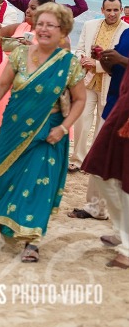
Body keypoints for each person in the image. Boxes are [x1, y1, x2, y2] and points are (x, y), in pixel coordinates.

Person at [0, 3, 86, 263]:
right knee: (4, 176)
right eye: (41, 24)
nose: (44, 29)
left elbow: (79, 100)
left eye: (51, 25)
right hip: (13, 128)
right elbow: (2, 84)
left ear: (63, 31)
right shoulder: (19, 54)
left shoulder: (68, 64)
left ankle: (32, 241)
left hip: (48, 133)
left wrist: (63, 127)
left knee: (38, 183)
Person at [81, 56, 129, 269]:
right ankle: (121, 231)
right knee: (100, 168)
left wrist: (121, 59)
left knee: (125, 178)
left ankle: (127, 248)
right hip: (122, 104)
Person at [71, 0, 128, 172]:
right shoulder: (89, 26)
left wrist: (96, 64)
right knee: (81, 122)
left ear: (121, 11)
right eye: (108, 10)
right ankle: (77, 160)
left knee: (103, 125)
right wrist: (83, 59)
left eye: (115, 10)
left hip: (111, 85)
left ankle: (95, 162)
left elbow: (120, 60)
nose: (112, 13)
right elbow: (79, 48)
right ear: (102, 10)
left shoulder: (126, 31)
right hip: (87, 82)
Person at [0, 0, 54, 127]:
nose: (27, 10)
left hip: (25, 85)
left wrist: (33, 49)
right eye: (28, 7)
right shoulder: (20, 27)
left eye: (33, 8)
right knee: (4, 123)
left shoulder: (47, 33)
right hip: (5, 83)